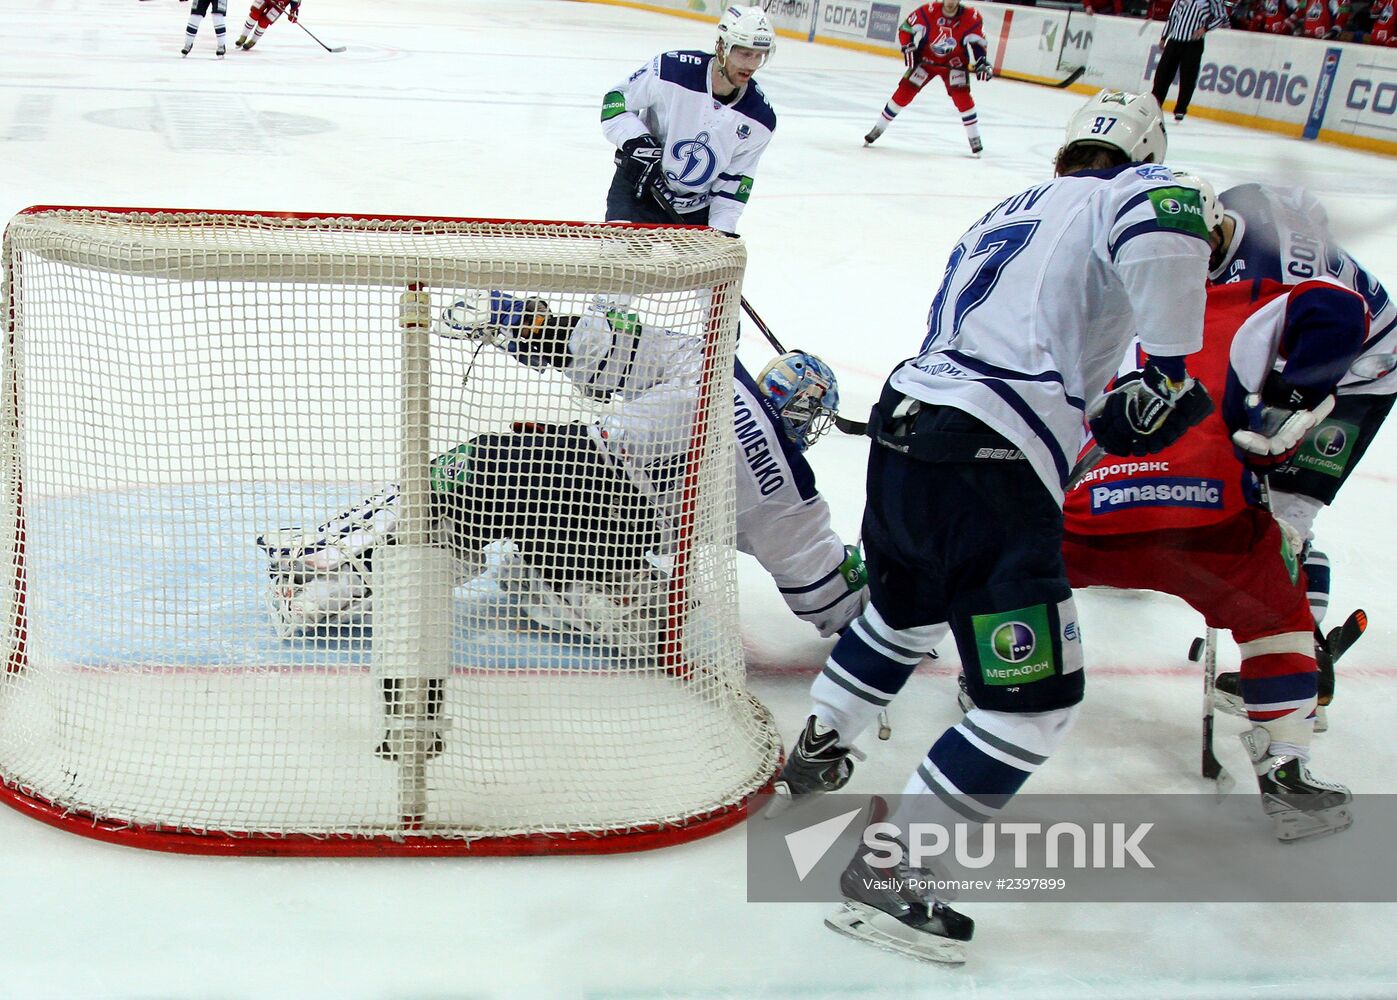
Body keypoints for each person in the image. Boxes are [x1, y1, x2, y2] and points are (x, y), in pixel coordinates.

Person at [769, 89, 1214, 965]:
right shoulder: (1129, 192)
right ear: (1142, 151)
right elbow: (1167, 213)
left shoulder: (1008, 206)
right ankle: (895, 880)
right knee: (1032, 703)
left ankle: (818, 748)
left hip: (909, 427)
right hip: (991, 456)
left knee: (901, 615)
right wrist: (1164, 370)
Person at [260, 294, 867, 651]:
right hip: (622, 534)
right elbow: (827, 597)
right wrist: (899, 583)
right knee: (663, 619)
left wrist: (515, 317)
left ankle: (317, 571)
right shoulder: (788, 489)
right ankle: (550, 584)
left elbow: (601, 350)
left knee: (464, 485)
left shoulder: (710, 362)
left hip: (572, 464)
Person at [1061, 235, 1367, 842]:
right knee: (1279, 617)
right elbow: (1338, 307)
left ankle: (998, 676)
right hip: (1205, 521)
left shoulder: (1089, 309)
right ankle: (1286, 767)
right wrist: (1292, 401)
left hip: (1084, 517)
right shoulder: (1238, 300)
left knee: (1007, 574)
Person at [1207, 182, 1395, 653]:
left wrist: (1277, 408)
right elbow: (1303, 201)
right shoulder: (1235, 202)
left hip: (1359, 369)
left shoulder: (1277, 275)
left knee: (1284, 515)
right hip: (1330, 337)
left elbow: (1304, 361)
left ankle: (1300, 660)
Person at [600, 6, 776, 233]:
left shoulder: (760, 118)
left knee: (705, 268)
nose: (752, 65)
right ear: (722, 47)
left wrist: (721, 232)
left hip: (696, 209)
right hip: (640, 187)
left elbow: (734, 184)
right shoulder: (670, 71)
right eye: (744, 53)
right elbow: (615, 102)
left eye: (759, 56)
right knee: (620, 262)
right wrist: (636, 140)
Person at [862, 0, 992, 155]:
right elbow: (906, 28)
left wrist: (981, 61)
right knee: (904, 92)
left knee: (962, 97)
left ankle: (974, 137)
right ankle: (878, 128)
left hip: (954, 63)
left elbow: (978, 43)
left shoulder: (971, 16)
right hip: (926, 61)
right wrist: (908, 46)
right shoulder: (928, 10)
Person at [1151, 0, 1228, 122]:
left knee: (1188, 77)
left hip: (1193, 42)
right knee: (1162, 75)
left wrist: (1205, 28)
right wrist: (1164, 37)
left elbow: (1221, 17)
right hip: (1175, 40)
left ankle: (1180, 109)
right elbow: (1173, 16)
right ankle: (1154, 106)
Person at [236, 0, 300, 51]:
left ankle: (253, 40)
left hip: (280, 4)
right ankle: (243, 36)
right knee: (254, 13)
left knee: (265, 21)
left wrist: (293, 11)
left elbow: (296, 1)